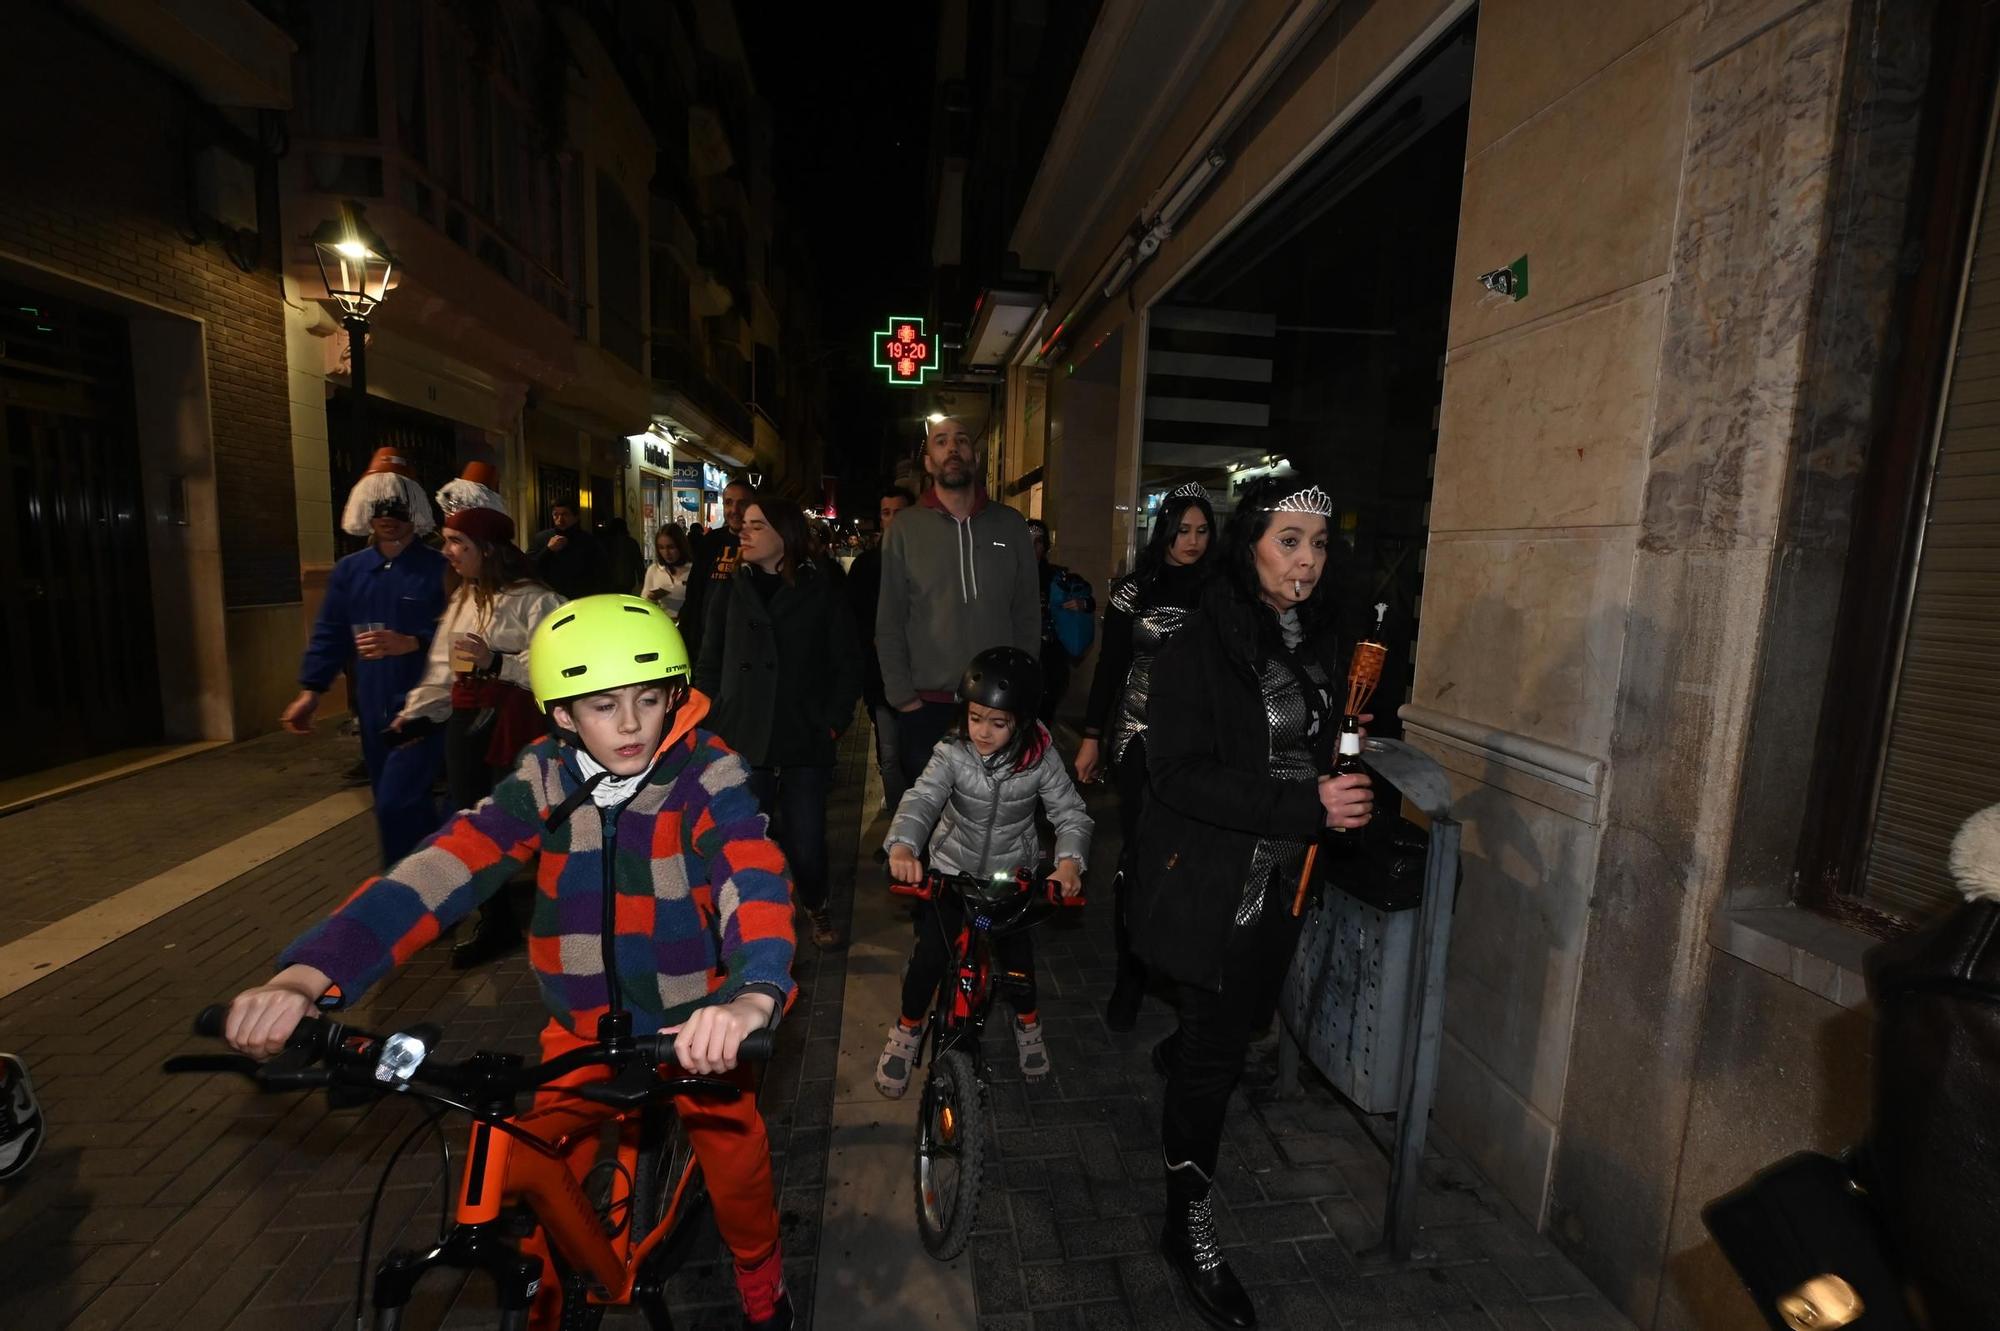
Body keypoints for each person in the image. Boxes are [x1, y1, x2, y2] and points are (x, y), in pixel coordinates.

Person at [222, 595, 800, 1331]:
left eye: (649, 698)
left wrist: (752, 992)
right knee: (530, 1160)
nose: (630, 723)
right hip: (581, 1026)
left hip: (695, 1021)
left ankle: (760, 1266)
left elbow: (751, 874)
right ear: (561, 714)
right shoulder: (544, 779)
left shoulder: (704, 773)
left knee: (734, 1155)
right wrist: (309, 974)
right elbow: (445, 866)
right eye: (601, 704)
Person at [1128, 473, 1373, 1329]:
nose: (1307, 561)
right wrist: (1307, 804)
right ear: (1251, 544)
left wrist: (1347, 751)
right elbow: (1177, 772)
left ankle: (1192, 1046)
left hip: (1281, 885)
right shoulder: (1201, 638)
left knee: (1227, 1033)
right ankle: (1184, 1222)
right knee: (1213, 1059)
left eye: (1319, 543)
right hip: (1212, 887)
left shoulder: (1313, 635)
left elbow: (1307, 739)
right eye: (1289, 542)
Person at [876, 647, 1092, 1095]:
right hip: (951, 871)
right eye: (975, 718)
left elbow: (1070, 814)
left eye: (998, 723)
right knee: (930, 957)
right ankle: (907, 1027)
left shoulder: (1041, 759)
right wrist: (903, 847)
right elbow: (922, 799)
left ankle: (1028, 1024)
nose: (983, 733)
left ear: (1023, 721)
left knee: (1019, 964)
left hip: (1011, 877)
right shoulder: (952, 752)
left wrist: (1069, 862)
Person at [395, 463, 565, 969]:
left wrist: (500, 662)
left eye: (457, 544)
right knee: (473, 823)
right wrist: (418, 713)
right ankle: (496, 920)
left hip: (517, 724)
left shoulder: (537, 601)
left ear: (486, 549)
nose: (448, 552)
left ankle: (567, 911)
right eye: (447, 542)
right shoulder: (464, 598)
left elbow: (557, 666)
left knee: (532, 821)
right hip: (467, 726)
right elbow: (444, 666)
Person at [1075, 483, 1217, 1030]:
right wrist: (1091, 735)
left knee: (1194, 863)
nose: (1193, 541)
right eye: (1183, 529)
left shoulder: (1222, 593)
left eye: (1203, 530)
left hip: (1200, 748)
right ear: (1164, 531)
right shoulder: (1132, 591)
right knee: (1138, 856)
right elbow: (1110, 668)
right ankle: (1130, 975)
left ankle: (1184, 973)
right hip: (1138, 740)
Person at [696, 494, 862, 950]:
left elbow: (847, 663)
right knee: (750, 836)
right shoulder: (729, 587)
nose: (744, 532)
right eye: (743, 525)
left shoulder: (821, 587)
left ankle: (815, 901)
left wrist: (832, 721)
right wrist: (710, 717)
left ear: (783, 536)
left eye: (756, 525)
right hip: (742, 733)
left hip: (803, 733)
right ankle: (756, 918)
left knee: (807, 839)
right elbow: (710, 660)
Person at [284, 447, 448, 866]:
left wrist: (417, 640)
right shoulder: (350, 571)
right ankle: (431, 878)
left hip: (424, 705)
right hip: (372, 706)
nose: (386, 515)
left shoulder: (440, 568)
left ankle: (404, 891)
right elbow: (330, 632)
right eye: (378, 506)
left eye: (395, 505)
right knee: (395, 801)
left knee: (399, 801)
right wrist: (311, 690)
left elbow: (464, 627)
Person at [876, 416, 1040, 787]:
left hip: (997, 706)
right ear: (929, 462)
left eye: (962, 440)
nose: (953, 448)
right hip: (926, 707)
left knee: (993, 820)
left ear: (975, 457)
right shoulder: (906, 528)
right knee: (929, 825)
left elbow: (1027, 613)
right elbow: (889, 619)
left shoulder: (1010, 524)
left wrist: (1022, 688)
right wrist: (903, 698)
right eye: (941, 441)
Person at [846, 486, 917, 817]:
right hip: (881, 678)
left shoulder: (926, 562)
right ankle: (901, 829)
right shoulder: (866, 566)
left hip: (922, 678)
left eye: (899, 513)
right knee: (889, 754)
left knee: (916, 754)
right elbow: (854, 619)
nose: (892, 520)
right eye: (886, 513)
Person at [681, 478, 753, 659]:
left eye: (742, 503)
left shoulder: (760, 544)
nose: (734, 510)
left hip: (745, 646)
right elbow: (695, 592)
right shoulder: (711, 542)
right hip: (708, 643)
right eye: (729, 503)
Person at [527, 503, 607, 599]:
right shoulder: (542, 538)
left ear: (576, 517)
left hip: (581, 598)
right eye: (556, 515)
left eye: (565, 514)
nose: (560, 519)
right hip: (549, 597)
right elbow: (529, 566)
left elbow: (601, 572)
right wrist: (548, 550)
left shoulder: (589, 540)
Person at [644, 522, 695, 620]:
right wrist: (651, 598)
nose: (666, 553)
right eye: (661, 548)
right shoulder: (654, 570)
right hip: (662, 625)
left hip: (689, 625)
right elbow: (644, 603)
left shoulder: (693, 570)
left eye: (671, 547)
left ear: (680, 546)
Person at [596, 515, 645, 595]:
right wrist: (641, 580)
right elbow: (638, 563)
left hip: (610, 580)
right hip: (627, 580)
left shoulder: (606, 542)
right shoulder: (631, 543)